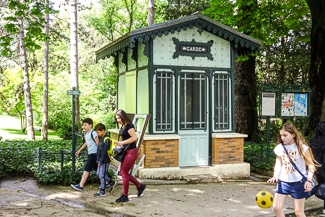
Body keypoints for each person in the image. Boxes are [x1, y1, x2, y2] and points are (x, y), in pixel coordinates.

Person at [267, 123, 319, 217]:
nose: (282, 138)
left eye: (285, 135)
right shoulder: (280, 147)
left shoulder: (302, 147)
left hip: (299, 182)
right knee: (276, 207)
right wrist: (275, 175)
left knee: (299, 212)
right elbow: (278, 163)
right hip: (283, 182)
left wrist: (308, 180)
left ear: (293, 134)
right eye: (281, 135)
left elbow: (311, 165)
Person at [114, 109, 146, 203]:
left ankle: (125, 195)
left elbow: (134, 138)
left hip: (131, 152)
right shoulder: (123, 125)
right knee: (124, 172)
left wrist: (122, 142)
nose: (118, 120)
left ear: (123, 116)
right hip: (126, 151)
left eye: (119, 118)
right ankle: (140, 186)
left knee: (123, 172)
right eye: (116, 119)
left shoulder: (129, 125)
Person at [71, 118, 98, 191]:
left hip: (94, 154)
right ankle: (109, 181)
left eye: (85, 125)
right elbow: (86, 143)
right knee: (97, 170)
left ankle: (81, 185)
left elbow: (98, 143)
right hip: (90, 154)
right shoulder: (86, 134)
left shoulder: (94, 133)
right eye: (83, 125)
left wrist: (100, 155)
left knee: (86, 169)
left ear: (90, 125)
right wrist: (79, 150)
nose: (84, 127)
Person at [93, 123, 116, 197]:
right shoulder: (101, 138)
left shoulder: (106, 139)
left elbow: (104, 152)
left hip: (105, 160)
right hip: (100, 160)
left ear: (103, 131)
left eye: (98, 132)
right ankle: (110, 181)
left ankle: (102, 191)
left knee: (102, 175)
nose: (97, 134)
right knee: (99, 174)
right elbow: (99, 150)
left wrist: (100, 161)